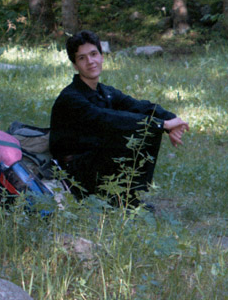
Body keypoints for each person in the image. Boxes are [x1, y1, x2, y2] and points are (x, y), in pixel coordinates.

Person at [50, 30, 189, 208]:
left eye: (93, 54)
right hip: (73, 173)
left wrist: (172, 119)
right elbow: (108, 119)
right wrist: (161, 125)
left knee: (145, 128)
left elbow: (138, 106)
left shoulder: (104, 92)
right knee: (140, 127)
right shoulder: (71, 98)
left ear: (102, 57)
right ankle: (116, 200)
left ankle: (126, 196)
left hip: (94, 157)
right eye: (82, 58)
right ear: (75, 65)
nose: (90, 61)